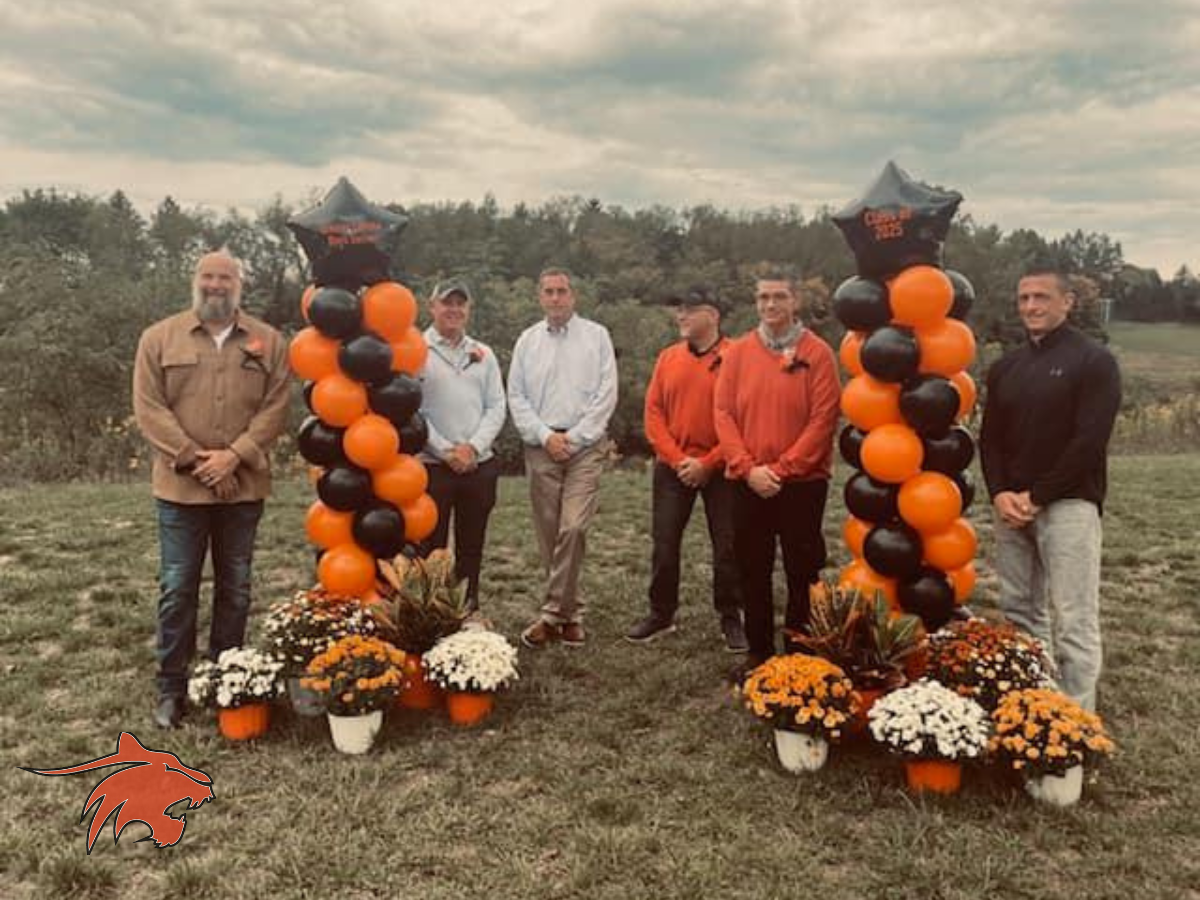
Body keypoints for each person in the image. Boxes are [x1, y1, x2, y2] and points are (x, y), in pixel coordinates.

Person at [132, 250, 290, 728]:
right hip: (180, 490)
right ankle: (172, 687)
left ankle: (226, 678)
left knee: (236, 588)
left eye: (225, 277)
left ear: (239, 284)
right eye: (208, 276)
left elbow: (275, 407)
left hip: (242, 488)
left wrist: (233, 456)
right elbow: (149, 407)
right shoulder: (158, 338)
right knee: (178, 587)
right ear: (195, 280)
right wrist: (198, 460)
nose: (216, 284)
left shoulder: (269, 341)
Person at [980, 267, 1121, 711]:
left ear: (1067, 302)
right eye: (1024, 298)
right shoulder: (1006, 367)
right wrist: (1000, 492)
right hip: (1012, 510)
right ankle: (1034, 710)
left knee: (1074, 618)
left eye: (1041, 297)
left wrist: (1038, 496)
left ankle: (1076, 724)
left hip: (1069, 506)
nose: (1031, 307)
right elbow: (991, 439)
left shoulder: (1094, 361)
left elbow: (1089, 440)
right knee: (1021, 613)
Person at [714, 273, 840, 677]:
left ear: (795, 302)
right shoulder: (737, 353)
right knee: (752, 567)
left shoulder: (817, 353)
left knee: (802, 568)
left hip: (801, 483)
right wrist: (749, 469)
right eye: (764, 297)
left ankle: (801, 649)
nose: (771, 305)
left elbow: (823, 419)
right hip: (748, 482)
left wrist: (782, 470)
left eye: (779, 297)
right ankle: (760, 651)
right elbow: (723, 414)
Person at [625, 286, 746, 651]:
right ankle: (661, 614)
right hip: (673, 467)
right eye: (679, 310)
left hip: (722, 468)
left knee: (727, 545)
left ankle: (730, 615)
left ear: (713, 315)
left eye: (690, 310)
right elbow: (653, 415)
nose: (681, 316)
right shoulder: (668, 357)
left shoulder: (737, 357)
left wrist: (709, 462)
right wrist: (679, 461)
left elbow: (742, 418)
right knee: (664, 544)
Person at [508, 268, 618, 648]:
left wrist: (574, 437)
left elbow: (607, 394)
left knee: (573, 528)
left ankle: (552, 613)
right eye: (549, 292)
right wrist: (544, 436)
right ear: (540, 297)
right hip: (541, 448)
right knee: (550, 534)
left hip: (585, 448)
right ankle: (571, 615)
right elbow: (517, 397)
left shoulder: (597, 336)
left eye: (562, 291)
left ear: (574, 296)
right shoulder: (527, 341)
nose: (556, 298)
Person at [417, 279, 507, 612]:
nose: (454, 309)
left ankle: (467, 610)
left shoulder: (483, 354)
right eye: (446, 303)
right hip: (430, 465)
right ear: (432, 307)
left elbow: (497, 405)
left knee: (471, 546)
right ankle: (429, 614)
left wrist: (472, 447)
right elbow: (410, 410)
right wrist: (444, 451)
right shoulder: (414, 349)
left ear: (468, 309)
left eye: (461, 303)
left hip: (478, 466)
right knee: (430, 549)